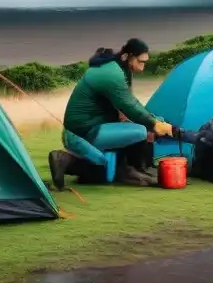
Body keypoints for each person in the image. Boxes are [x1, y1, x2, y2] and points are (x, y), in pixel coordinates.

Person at [48, 38, 173, 189]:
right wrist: (153, 124)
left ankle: (131, 168)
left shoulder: (117, 69)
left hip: (90, 126)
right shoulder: (112, 74)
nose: (143, 66)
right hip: (84, 132)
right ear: (128, 56)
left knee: (100, 173)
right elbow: (129, 106)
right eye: (140, 61)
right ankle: (128, 171)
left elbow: (129, 105)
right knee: (142, 131)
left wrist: (155, 120)